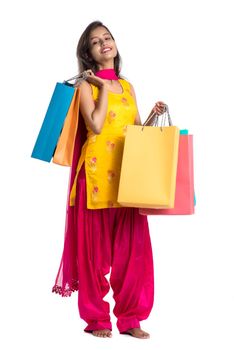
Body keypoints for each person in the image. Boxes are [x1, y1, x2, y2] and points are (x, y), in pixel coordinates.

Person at [52, 21, 167, 339]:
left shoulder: (128, 87)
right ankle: (97, 319)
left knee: (133, 252)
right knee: (94, 254)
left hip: (128, 176)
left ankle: (130, 318)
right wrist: (102, 87)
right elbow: (98, 125)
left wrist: (154, 116)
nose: (104, 43)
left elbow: (135, 131)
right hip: (96, 175)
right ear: (87, 54)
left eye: (107, 37)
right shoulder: (85, 87)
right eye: (94, 41)